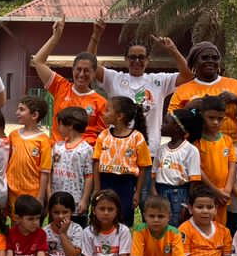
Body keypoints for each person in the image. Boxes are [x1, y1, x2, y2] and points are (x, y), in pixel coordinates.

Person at [85, 16, 195, 156]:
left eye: (141, 57)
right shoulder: (114, 78)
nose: (137, 61)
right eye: (132, 57)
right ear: (126, 59)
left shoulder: (160, 81)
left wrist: (173, 50)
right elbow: (90, 65)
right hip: (117, 150)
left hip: (149, 152)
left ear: (148, 60)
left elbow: (188, 75)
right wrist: (96, 36)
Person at [31, 32, 106, 147]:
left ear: (94, 73)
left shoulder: (101, 102)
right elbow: (38, 61)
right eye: (78, 69)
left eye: (86, 71)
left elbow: (102, 136)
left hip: (84, 154)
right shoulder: (60, 86)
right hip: (57, 152)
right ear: (73, 70)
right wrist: (55, 37)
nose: (81, 74)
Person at [169, 41, 237, 141]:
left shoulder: (234, 85)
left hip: (232, 146)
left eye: (215, 58)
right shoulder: (183, 90)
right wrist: (188, 108)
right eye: (204, 58)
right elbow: (169, 122)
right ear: (194, 62)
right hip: (195, 147)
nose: (210, 61)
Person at [91, 95, 151, 228]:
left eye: (107, 110)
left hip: (126, 185)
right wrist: (96, 188)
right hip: (106, 181)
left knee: (124, 219)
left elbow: (143, 167)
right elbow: (96, 162)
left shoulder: (137, 138)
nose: (104, 113)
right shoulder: (103, 135)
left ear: (119, 116)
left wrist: (137, 192)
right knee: (103, 218)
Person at [193, 96, 237, 226]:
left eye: (220, 118)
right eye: (211, 118)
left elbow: (232, 165)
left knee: (220, 228)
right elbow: (196, 169)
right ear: (202, 116)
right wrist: (215, 191)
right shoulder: (196, 141)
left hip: (223, 197)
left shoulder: (227, 140)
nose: (216, 122)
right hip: (203, 196)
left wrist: (227, 191)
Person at [152, 112, 202, 223]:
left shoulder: (191, 150)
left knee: (176, 224)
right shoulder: (161, 149)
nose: (162, 125)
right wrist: (154, 192)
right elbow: (154, 174)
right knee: (161, 223)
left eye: (166, 122)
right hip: (160, 192)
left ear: (177, 127)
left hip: (179, 194)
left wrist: (187, 204)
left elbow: (194, 181)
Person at [81, 190, 130, 256]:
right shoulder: (88, 232)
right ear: (94, 210)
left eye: (110, 209)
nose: (106, 213)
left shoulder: (123, 231)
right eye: (102, 209)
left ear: (117, 211)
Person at [7, 94, 52, 209]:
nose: (17, 112)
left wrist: (41, 196)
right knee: (15, 219)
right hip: (12, 190)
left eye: (21, 109)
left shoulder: (44, 140)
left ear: (34, 115)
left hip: (32, 192)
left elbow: (45, 171)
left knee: (29, 219)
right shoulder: (13, 135)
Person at [50, 106, 93, 224]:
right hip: (56, 202)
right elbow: (50, 172)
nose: (58, 127)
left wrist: (84, 200)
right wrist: (49, 195)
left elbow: (89, 176)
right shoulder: (57, 147)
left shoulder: (86, 149)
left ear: (70, 126)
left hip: (76, 204)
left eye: (60, 124)